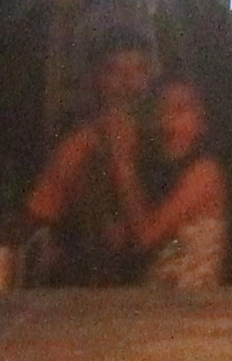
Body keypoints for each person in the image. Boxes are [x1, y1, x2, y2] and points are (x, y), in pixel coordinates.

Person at [25, 32, 160, 285]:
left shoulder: (165, 141)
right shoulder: (79, 147)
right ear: (97, 79)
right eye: (116, 72)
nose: (129, 83)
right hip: (94, 288)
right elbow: (37, 219)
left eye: (139, 71)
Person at [110, 78, 229, 289]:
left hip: (190, 309)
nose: (168, 121)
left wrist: (123, 164)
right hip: (161, 303)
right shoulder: (165, 175)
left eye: (180, 110)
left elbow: (145, 237)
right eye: (162, 111)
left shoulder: (204, 173)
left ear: (201, 122)